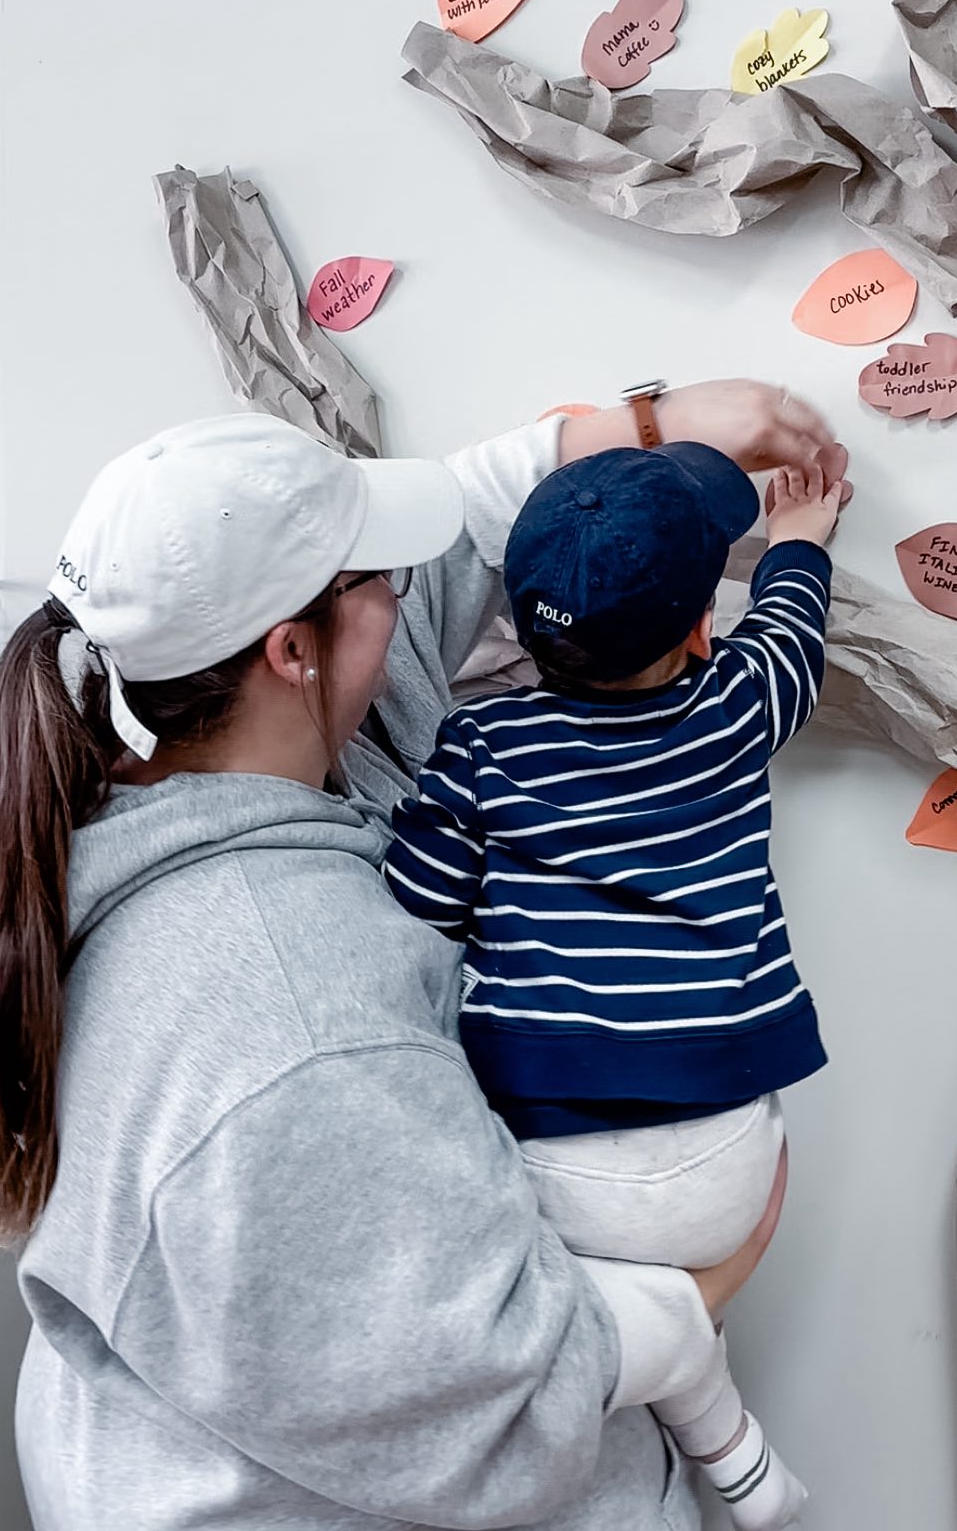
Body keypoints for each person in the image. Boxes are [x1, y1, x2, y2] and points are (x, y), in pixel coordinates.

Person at [0, 379, 841, 1531]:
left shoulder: (175, 758)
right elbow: (488, 1411)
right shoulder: (301, 1031)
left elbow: (471, 519)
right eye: (377, 578)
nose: (412, 595)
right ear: (291, 649)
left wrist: (661, 423)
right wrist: (694, 1296)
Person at [384, 444, 842, 1528]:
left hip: (556, 1157)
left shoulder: (482, 745)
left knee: (601, 1320)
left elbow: (418, 907)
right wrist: (800, 544)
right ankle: (732, 1454)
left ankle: (716, 1440)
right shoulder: (735, 711)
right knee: (673, 1301)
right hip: (726, 1148)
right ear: (698, 631)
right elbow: (791, 640)